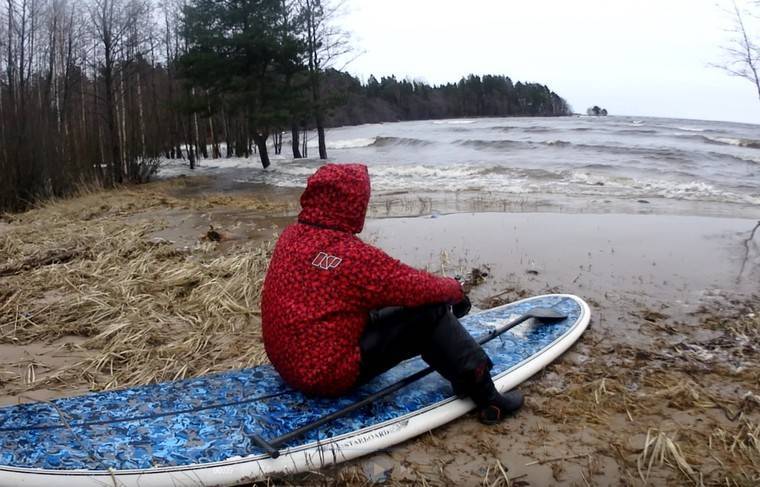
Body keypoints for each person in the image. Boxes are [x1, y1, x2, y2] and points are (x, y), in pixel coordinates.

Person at [261, 163, 523, 424]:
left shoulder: (291, 236)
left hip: (290, 364)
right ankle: (485, 394)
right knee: (429, 311)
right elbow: (413, 286)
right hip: (327, 374)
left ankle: (464, 375)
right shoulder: (350, 255)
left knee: (391, 303)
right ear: (353, 202)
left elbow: (376, 285)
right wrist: (455, 290)